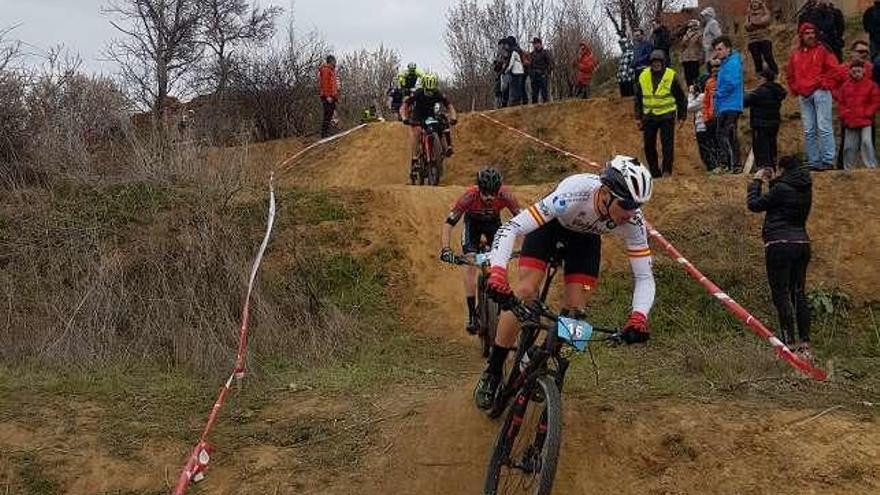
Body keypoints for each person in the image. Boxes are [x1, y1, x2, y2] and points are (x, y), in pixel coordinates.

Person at [473, 156, 656, 409]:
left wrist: (639, 317)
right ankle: (493, 372)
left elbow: (645, 276)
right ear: (605, 193)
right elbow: (511, 228)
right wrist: (497, 273)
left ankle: (536, 361)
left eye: (637, 205)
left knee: (575, 315)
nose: (631, 212)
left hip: (586, 242)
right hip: (550, 228)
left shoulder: (633, 221)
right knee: (525, 291)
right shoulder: (573, 193)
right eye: (626, 204)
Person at [747, 155, 813, 361]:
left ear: (783, 170)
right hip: (802, 243)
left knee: (781, 294)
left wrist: (757, 181)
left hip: (779, 244)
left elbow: (754, 204)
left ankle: (789, 344)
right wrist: (773, 182)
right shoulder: (805, 188)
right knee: (798, 293)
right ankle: (805, 344)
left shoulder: (781, 189)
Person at [439, 167, 521, 334]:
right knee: (470, 263)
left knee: (500, 263)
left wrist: (524, 247)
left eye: (493, 193)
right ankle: (471, 315)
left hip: (493, 225)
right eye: (486, 193)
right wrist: (446, 249)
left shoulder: (506, 195)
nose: (490, 197)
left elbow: (522, 221)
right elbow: (448, 224)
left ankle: (500, 301)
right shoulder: (469, 196)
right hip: (472, 226)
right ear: (479, 189)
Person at [786, 22, 841, 171]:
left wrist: (823, 83)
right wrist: (796, 88)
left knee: (824, 126)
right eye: (806, 33)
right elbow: (790, 74)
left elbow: (835, 70)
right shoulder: (796, 55)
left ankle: (828, 160)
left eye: (812, 33)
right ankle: (814, 161)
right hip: (804, 94)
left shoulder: (823, 50)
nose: (810, 35)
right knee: (809, 129)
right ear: (801, 36)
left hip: (820, 92)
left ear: (816, 34)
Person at [635, 50, 687, 177]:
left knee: (667, 145)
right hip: (649, 116)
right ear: (650, 63)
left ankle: (666, 171)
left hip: (666, 116)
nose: (656, 65)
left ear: (663, 63)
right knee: (648, 146)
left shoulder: (671, 75)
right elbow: (638, 98)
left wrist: (682, 116)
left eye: (659, 62)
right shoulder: (643, 76)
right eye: (654, 62)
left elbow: (681, 98)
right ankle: (654, 172)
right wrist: (638, 117)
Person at [400, 74, 458, 181]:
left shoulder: (437, 93)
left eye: (431, 91)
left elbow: (449, 106)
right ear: (424, 87)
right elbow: (405, 105)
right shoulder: (418, 93)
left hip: (431, 116)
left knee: (441, 126)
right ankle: (415, 159)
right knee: (417, 131)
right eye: (427, 91)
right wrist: (404, 117)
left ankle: (445, 148)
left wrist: (453, 117)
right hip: (418, 115)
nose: (429, 93)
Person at [833, 61, 880, 169]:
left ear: (864, 71)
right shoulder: (845, 87)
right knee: (849, 147)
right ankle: (848, 169)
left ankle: (871, 167)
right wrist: (845, 114)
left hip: (865, 120)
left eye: (858, 71)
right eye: (854, 71)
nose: (856, 73)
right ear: (850, 72)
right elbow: (841, 103)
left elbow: (875, 102)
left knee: (866, 142)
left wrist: (867, 113)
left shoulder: (871, 85)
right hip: (850, 121)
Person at [713, 36, 745, 173]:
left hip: (731, 104)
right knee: (722, 134)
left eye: (720, 49)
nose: (718, 52)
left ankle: (732, 164)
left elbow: (732, 83)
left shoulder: (733, 63)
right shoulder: (725, 64)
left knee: (727, 134)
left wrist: (718, 93)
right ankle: (728, 164)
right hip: (724, 104)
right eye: (716, 50)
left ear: (728, 49)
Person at [745, 68, 787, 171]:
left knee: (761, 146)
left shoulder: (761, 91)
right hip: (773, 123)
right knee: (771, 145)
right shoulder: (777, 91)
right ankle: (772, 165)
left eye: (759, 78)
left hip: (761, 124)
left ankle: (764, 167)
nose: (758, 80)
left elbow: (746, 101)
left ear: (764, 79)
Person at [688, 71, 719, 172]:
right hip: (709, 124)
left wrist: (691, 93)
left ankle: (712, 167)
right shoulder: (709, 95)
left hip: (702, 126)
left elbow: (689, 107)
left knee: (705, 149)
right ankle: (715, 167)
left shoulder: (702, 96)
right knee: (712, 146)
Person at [745, 0, 778, 75]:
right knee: (756, 59)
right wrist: (756, 23)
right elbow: (747, 26)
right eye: (753, 3)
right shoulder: (749, 14)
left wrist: (754, 23)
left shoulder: (764, 11)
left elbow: (766, 21)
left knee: (768, 56)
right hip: (752, 39)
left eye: (756, 3)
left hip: (764, 37)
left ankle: (775, 73)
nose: (754, 5)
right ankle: (760, 75)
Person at [318, 55, 338, 139]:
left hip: (332, 96)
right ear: (331, 61)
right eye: (334, 61)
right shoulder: (326, 70)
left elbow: (333, 84)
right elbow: (325, 84)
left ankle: (327, 132)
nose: (336, 63)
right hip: (327, 96)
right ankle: (324, 134)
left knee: (331, 114)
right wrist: (327, 96)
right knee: (328, 114)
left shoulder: (331, 70)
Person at [529, 37, 554, 104]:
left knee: (544, 93)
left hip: (543, 74)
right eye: (533, 44)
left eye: (535, 43)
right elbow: (530, 65)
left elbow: (550, 63)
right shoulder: (532, 54)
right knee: (534, 94)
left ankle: (546, 107)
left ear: (539, 44)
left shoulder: (545, 52)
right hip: (534, 76)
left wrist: (547, 73)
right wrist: (531, 74)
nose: (534, 45)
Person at [680, 19, 704, 88]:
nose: (690, 27)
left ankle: (696, 91)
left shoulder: (699, 34)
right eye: (689, 26)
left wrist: (701, 57)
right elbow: (682, 46)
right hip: (686, 59)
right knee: (687, 78)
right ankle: (689, 92)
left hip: (694, 58)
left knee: (695, 78)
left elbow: (701, 46)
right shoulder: (686, 34)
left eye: (691, 25)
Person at [504, 36, 526, 106]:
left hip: (516, 72)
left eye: (507, 43)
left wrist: (506, 70)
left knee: (515, 88)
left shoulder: (513, 51)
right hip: (521, 71)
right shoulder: (518, 49)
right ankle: (519, 101)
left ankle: (516, 103)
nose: (506, 45)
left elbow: (511, 62)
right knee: (519, 88)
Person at [493, 39, 510, 108]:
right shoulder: (498, 54)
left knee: (505, 90)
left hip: (505, 74)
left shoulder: (507, 52)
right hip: (499, 75)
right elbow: (496, 67)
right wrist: (497, 63)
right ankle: (497, 106)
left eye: (501, 45)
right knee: (497, 91)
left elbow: (506, 63)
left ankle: (504, 105)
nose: (500, 47)